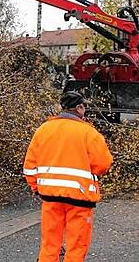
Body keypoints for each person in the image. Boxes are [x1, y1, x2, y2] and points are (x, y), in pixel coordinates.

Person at [23, 91, 113, 262]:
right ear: (79, 108)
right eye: (84, 107)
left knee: (50, 245)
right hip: (79, 199)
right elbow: (103, 164)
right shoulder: (89, 133)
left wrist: (36, 188)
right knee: (76, 247)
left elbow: (29, 166)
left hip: (50, 198)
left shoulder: (43, 130)